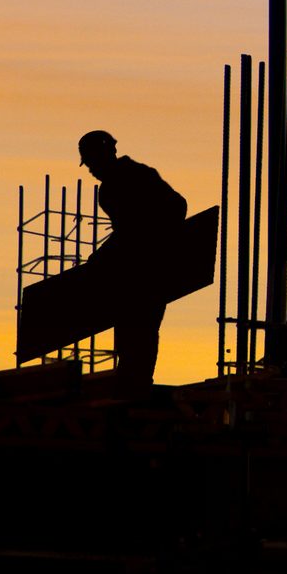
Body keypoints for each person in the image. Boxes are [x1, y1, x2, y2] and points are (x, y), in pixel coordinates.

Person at [78, 129, 187, 384]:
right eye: (89, 165)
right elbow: (127, 232)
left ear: (106, 154)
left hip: (148, 271)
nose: (91, 170)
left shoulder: (135, 177)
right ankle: (133, 381)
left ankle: (135, 384)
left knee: (141, 329)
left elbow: (173, 208)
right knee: (133, 331)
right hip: (133, 273)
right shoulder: (111, 189)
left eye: (93, 162)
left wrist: (157, 239)